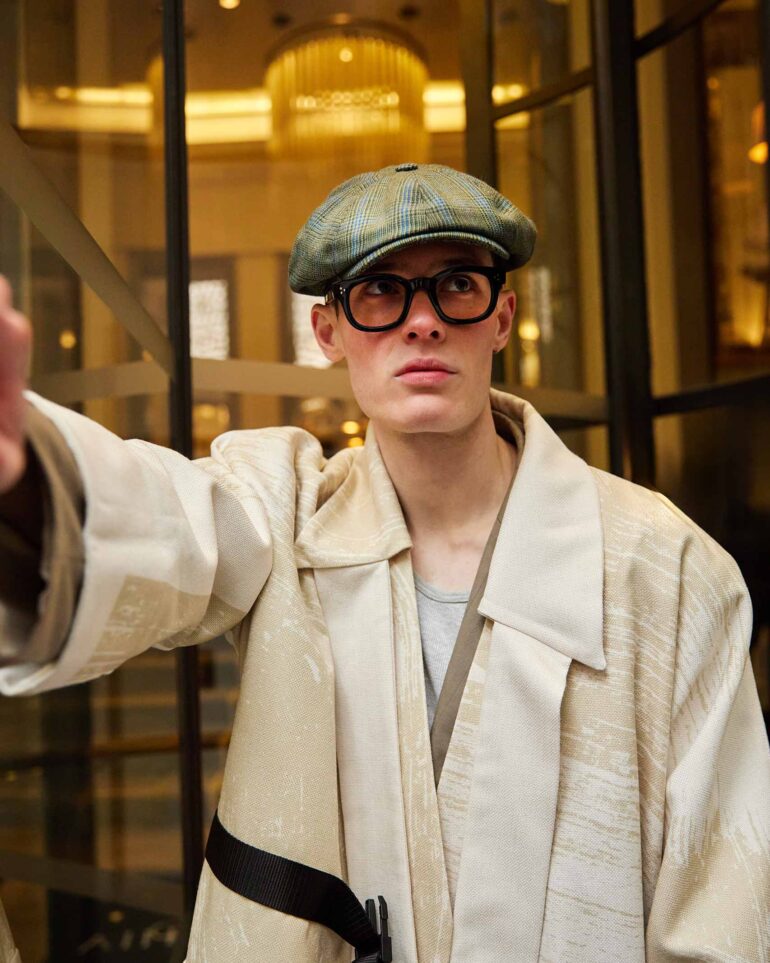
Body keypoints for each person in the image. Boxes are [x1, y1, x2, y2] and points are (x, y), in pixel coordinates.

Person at [0, 162, 768, 963]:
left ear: (501, 317)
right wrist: (19, 471)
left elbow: (726, 907)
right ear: (328, 331)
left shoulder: (665, 566)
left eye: (457, 285)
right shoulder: (290, 516)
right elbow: (169, 522)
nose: (423, 323)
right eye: (379, 291)